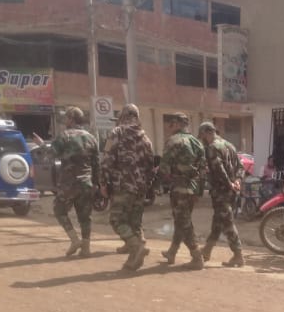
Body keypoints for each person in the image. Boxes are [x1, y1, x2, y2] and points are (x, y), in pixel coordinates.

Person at [36, 107, 100, 258]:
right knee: (85, 216)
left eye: (66, 118)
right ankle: (86, 248)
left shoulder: (64, 136)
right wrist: (96, 184)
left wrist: (42, 145)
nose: (65, 121)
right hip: (87, 183)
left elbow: (52, 154)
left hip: (68, 184)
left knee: (59, 210)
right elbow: (97, 164)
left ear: (71, 119)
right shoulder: (91, 138)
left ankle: (74, 240)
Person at [100, 103, 156, 272]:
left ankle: (136, 246)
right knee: (135, 223)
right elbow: (151, 167)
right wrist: (147, 185)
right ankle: (134, 259)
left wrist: (103, 183)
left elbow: (106, 160)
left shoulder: (116, 133)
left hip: (123, 186)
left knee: (116, 220)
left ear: (122, 116)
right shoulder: (146, 138)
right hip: (140, 188)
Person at [158, 112, 206, 269]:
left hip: (179, 188)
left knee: (183, 222)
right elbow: (203, 170)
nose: (170, 127)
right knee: (182, 220)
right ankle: (172, 251)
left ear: (177, 124)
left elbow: (164, 167)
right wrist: (198, 191)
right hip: (193, 189)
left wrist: (160, 180)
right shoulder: (197, 143)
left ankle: (197, 256)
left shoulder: (173, 141)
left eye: (171, 124)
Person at [199, 121, 245, 267]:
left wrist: (228, 183)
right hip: (231, 191)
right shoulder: (229, 145)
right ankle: (207, 250)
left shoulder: (212, 148)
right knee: (218, 221)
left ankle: (238, 254)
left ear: (207, 133)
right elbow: (241, 166)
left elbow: (218, 169)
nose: (202, 139)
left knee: (227, 221)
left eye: (202, 136)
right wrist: (237, 180)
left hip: (221, 191)